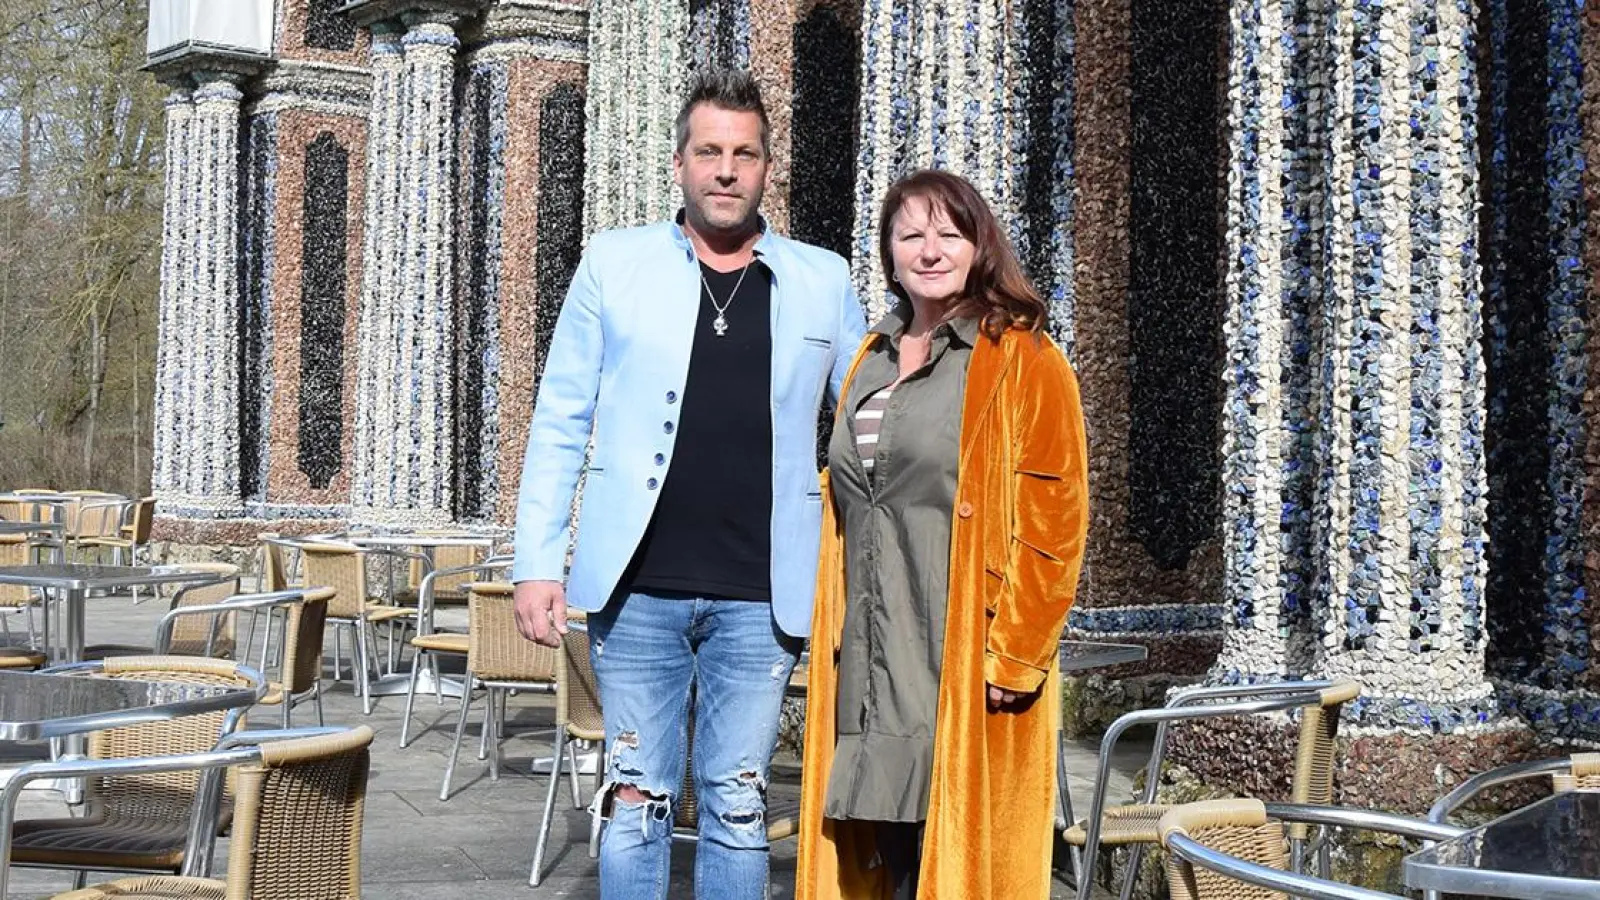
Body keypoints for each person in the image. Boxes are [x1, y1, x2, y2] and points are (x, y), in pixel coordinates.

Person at [509, 69, 867, 900]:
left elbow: (868, 416)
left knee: (739, 805)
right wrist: (536, 562)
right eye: (710, 151)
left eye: (744, 153)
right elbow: (560, 417)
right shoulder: (613, 262)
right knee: (635, 800)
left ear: (767, 168)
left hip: (762, 593)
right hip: (635, 589)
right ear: (680, 163)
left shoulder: (823, 278)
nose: (726, 170)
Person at [795, 169, 1090, 900]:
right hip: (869, 663)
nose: (930, 250)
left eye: (948, 233)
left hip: (958, 661)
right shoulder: (870, 358)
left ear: (979, 245)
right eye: (911, 234)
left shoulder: (1024, 357)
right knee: (889, 861)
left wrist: (1016, 657)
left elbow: (1057, 519)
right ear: (889, 252)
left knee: (955, 862)